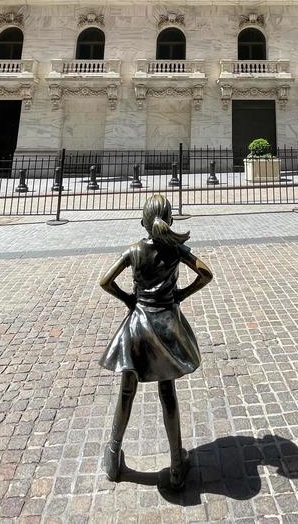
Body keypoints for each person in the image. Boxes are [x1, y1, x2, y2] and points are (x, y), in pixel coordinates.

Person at [99, 195, 213, 489]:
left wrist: (130, 300)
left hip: (137, 324)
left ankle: (113, 458)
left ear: (143, 222)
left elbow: (105, 281)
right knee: (168, 392)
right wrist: (181, 295)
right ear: (170, 221)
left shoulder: (134, 250)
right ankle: (177, 465)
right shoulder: (176, 249)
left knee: (127, 389)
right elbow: (206, 273)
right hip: (165, 326)